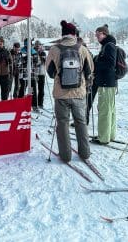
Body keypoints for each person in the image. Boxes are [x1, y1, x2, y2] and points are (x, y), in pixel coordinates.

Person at [46, 20, 94, 162]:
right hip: (79, 93)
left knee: (62, 123)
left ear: (63, 35)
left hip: (61, 94)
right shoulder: (82, 49)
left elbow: (49, 71)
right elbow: (90, 70)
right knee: (81, 122)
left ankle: (65, 155)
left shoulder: (54, 49)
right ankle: (85, 153)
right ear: (73, 34)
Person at [91, 24, 117, 145]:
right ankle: (110, 134)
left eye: (98, 34)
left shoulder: (108, 46)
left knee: (104, 110)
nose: (97, 37)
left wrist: (96, 64)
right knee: (110, 109)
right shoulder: (108, 45)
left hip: (106, 82)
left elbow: (110, 64)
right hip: (109, 82)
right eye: (96, 35)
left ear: (105, 34)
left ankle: (103, 137)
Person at [18, 38, 38, 110]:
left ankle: (34, 104)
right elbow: (19, 61)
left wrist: (33, 58)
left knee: (32, 89)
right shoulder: (22, 51)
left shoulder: (33, 51)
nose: (28, 45)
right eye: (26, 43)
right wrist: (25, 58)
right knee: (22, 88)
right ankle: (20, 104)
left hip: (32, 73)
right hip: (23, 73)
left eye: (29, 43)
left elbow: (36, 61)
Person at [34, 40, 47, 108]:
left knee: (41, 89)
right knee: (34, 89)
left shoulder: (43, 53)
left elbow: (44, 62)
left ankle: (40, 103)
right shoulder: (33, 52)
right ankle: (34, 103)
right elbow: (33, 62)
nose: (38, 46)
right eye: (36, 45)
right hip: (34, 73)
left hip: (41, 73)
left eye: (39, 45)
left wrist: (41, 57)